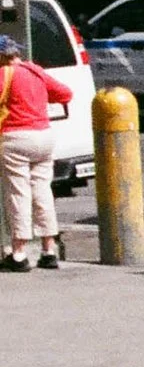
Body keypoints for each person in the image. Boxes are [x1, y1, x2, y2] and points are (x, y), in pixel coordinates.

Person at [0, 36, 72, 273]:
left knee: (18, 193)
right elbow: (65, 94)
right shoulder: (36, 71)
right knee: (42, 191)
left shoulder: (4, 74)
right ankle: (48, 250)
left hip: (15, 139)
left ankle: (19, 253)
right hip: (44, 137)